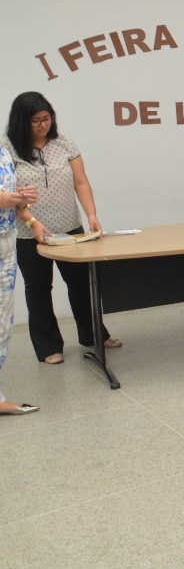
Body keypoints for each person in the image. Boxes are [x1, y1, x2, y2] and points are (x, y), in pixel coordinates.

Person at [4, 92, 118, 365]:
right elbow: (8, 195)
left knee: (81, 283)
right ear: (21, 121)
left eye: (47, 118)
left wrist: (91, 215)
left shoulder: (64, 142)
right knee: (38, 288)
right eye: (36, 121)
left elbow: (81, 181)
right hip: (29, 232)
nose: (43, 125)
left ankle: (93, 335)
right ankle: (48, 347)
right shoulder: (6, 148)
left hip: (70, 228)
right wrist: (32, 222)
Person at [0, 141, 39, 416]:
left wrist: (20, 201)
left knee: (2, 321)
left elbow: (11, 204)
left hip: (6, 243)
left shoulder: (3, 150)